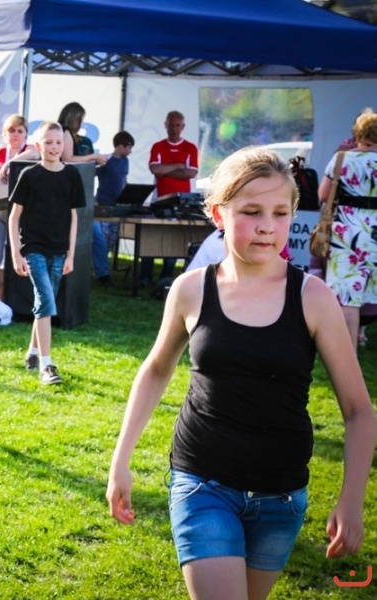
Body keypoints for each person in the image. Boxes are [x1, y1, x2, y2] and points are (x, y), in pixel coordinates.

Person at [106, 146, 376, 600]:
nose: (268, 226)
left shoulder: (314, 298)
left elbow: (358, 411)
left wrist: (352, 500)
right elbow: (155, 370)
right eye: (251, 212)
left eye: (280, 213)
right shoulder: (191, 290)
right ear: (219, 213)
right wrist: (121, 461)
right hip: (201, 482)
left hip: (281, 494)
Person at [8, 121, 84, 385]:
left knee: (45, 303)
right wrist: (16, 254)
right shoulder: (29, 175)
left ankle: (32, 352)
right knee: (46, 301)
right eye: (48, 142)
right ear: (38, 146)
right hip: (33, 248)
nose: (54, 147)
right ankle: (46, 365)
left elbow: (74, 218)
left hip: (59, 250)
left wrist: (71, 254)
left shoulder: (72, 175)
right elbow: (14, 217)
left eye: (58, 142)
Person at [321, 109, 377, 352]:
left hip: (348, 234)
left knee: (348, 300)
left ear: (359, 133)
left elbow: (323, 195)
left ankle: (347, 354)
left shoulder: (342, 159)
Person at [141, 110, 199, 286]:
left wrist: (166, 170)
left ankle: (166, 277)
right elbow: (155, 170)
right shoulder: (158, 146)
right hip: (159, 200)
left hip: (180, 203)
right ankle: (145, 277)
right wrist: (178, 166)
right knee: (150, 236)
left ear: (182, 127)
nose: (173, 128)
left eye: (177, 125)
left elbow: (191, 173)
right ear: (165, 125)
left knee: (174, 238)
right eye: (171, 125)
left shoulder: (190, 148)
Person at [0, 114, 28, 301]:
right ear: (4, 134)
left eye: (20, 131)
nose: (15, 134)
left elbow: (35, 154)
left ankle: (17, 300)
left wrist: (10, 164)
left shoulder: (29, 149)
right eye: (11, 130)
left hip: (19, 212)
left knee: (17, 253)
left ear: (25, 134)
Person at [93, 130, 135, 287]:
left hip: (118, 205)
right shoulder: (106, 160)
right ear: (121, 145)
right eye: (129, 147)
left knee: (112, 239)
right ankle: (101, 271)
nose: (130, 151)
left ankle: (104, 268)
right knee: (102, 238)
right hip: (104, 204)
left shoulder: (125, 162)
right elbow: (93, 174)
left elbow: (124, 179)